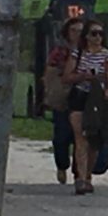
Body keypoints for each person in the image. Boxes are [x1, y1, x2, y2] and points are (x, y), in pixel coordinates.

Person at [62, 18, 108, 195]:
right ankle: (79, 178)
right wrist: (83, 76)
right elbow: (67, 77)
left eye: (101, 34)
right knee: (80, 138)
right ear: (86, 36)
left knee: (93, 140)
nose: (97, 37)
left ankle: (88, 176)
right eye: (94, 33)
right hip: (80, 97)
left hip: (97, 100)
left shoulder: (107, 56)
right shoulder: (77, 54)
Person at [45, 17, 82, 184]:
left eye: (81, 31)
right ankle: (62, 165)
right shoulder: (59, 52)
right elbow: (50, 74)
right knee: (61, 136)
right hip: (63, 100)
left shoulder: (91, 52)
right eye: (74, 30)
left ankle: (79, 172)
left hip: (83, 100)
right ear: (67, 33)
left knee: (81, 137)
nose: (77, 34)